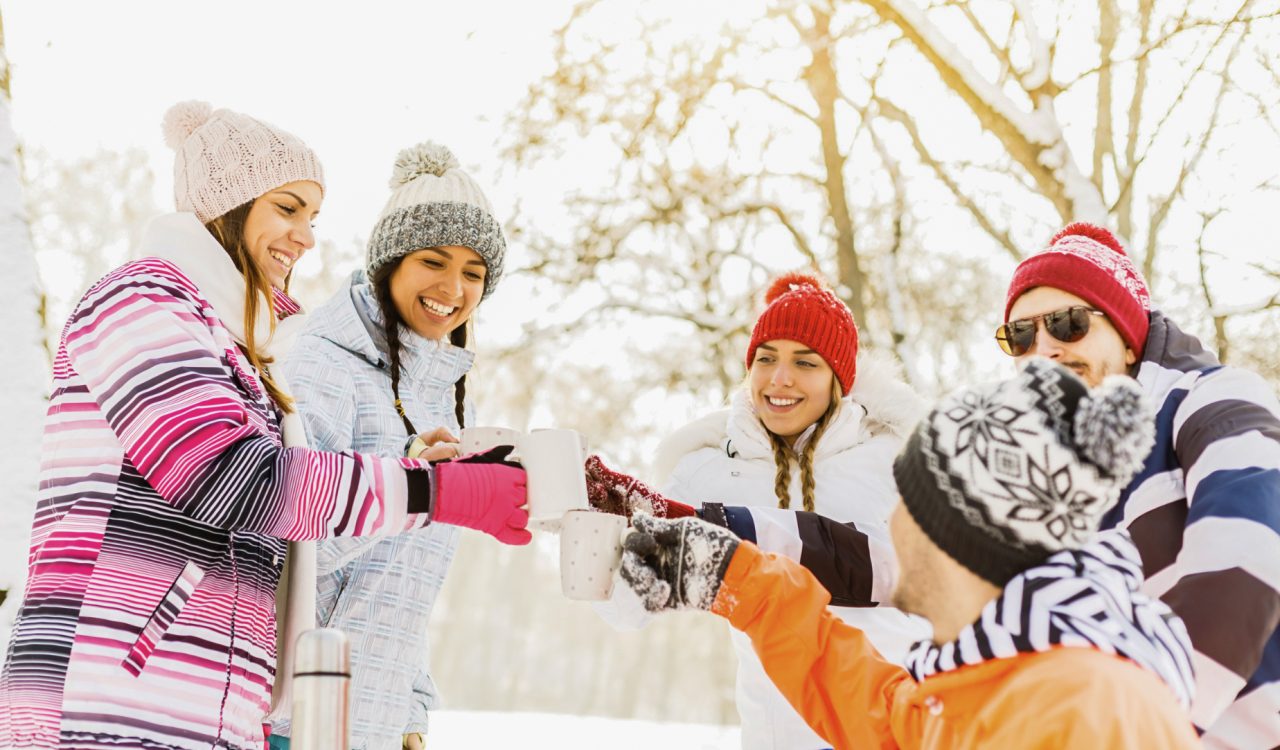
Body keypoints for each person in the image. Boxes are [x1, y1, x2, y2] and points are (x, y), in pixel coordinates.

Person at [0, 103, 529, 750]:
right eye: (287, 208)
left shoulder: (243, 351)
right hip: (105, 704)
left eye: (313, 217)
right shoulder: (140, 304)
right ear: (227, 205)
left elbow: (285, 535)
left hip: (202, 711)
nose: (306, 237)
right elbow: (231, 479)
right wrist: (439, 492)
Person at [617, 359, 1200, 749]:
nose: (888, 523)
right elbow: (879, 713)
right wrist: (733, 577)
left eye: (907, 498)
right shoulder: (1001, 684)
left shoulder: (1084, 711)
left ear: (951, 534)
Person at [592, 273, 929, 749]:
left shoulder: (897, 462)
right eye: (766, 358)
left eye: (805, 362)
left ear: (840, 377)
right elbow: (623, 607)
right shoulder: (708, 470)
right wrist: (601, 526)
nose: (780, 378)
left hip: (897, 726)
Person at [269, 141, 515, 750]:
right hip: (295, 719)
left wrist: (413, 709)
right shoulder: (323, 367)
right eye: (434, 261)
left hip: (374, 724)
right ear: (389, 264)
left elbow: (406, 586)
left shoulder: (452, 402)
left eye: (474, 272)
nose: (453, 288)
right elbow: (292, 548)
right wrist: (411, 486)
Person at [1000, 223, 1280, 746]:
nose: (1043, 351)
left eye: (1067, 324)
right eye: (1020, 336)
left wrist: (1143, 729)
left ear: (1129, 342)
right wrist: (798, 544)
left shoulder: (1211, 401)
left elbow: (1247, 558)